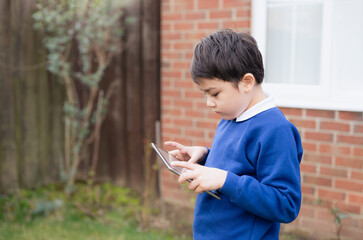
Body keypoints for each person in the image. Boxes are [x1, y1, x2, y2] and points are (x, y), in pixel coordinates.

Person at [165, 29, 303, 240]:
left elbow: (286, 204)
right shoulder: (231, 118)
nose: (208, 103)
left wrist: (224, 180)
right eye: (205, 94)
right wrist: (203, 156)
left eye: (214, 93)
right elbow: (239, 166)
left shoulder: (276, 130)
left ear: (246, 82)